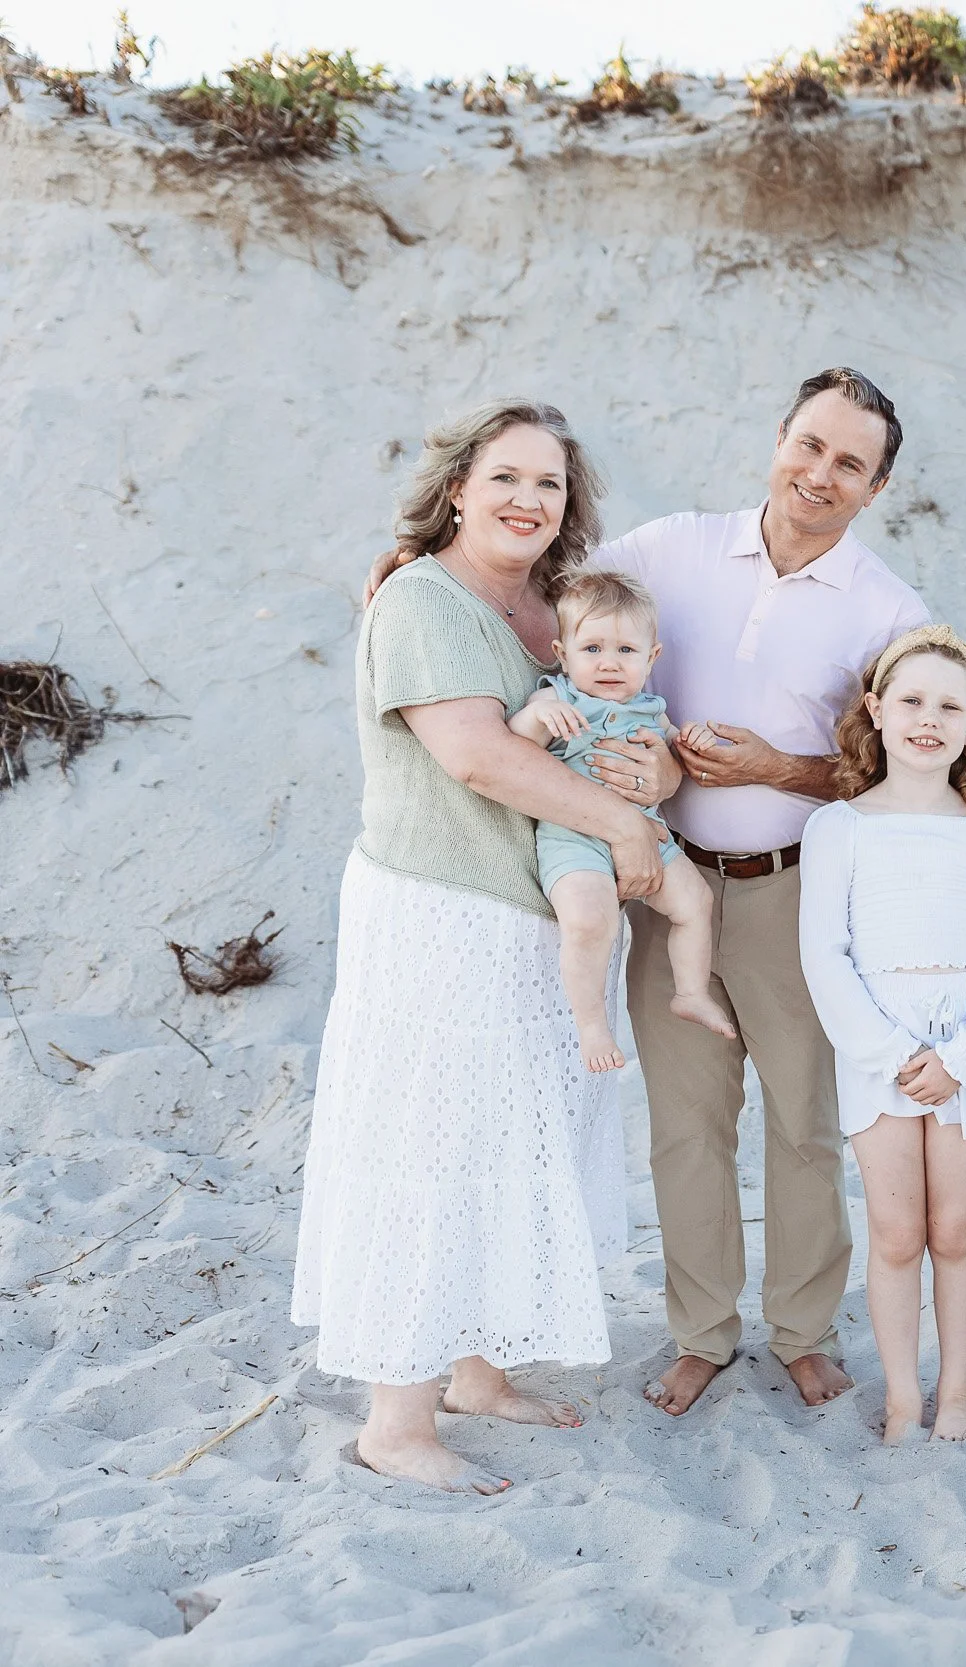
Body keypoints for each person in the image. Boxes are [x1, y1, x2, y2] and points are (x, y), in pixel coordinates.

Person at [368, 368, 930, 1418]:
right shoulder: (669, 548)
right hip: (655, 880)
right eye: (808, 444)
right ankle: (702, 1332)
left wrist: (776, 766)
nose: (819, 472)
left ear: (876, 485)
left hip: (794, 890)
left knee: (806, 1126)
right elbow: (539, 589)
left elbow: (898, 765)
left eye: (849, 462)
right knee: (684, 1125)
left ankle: (803, 1329)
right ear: (779, 437)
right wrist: (417, 564)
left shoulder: (888, 609)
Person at [296, 399, 675, 1491]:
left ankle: (474, 1370)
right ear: (458, 485)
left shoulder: (552, 610)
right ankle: (396, 1422)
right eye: (506, 477)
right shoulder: (422, 599)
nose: (528, 500)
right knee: (430, 1148)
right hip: (438, 914)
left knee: (502, 1141)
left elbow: (628, 722)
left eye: (549, 484)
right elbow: (473, 755)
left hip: (528, 915)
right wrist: (622, 823)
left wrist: (651, 786)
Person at [798, 626, 966, 1445]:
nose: (928, 719)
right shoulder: (839, 828)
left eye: (949, 705)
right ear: (877, 710)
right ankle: (904, 1397)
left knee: (957, 1229)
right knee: (898, 1233)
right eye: (911, 700)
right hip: (880, 1057)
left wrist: (962, 1057)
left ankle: (958, 1390)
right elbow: (825, 954)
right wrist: (894, 1057)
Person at [510, 570, 739, 1071]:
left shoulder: (651, 709)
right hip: (576, 838)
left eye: (625, 651)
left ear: (651, 657)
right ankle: (592, 1026)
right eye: (591, 649)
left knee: (695, 903)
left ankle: (691, 991)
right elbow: (516, 749)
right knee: (591, 920)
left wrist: (690, 742)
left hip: (648, 834)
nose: (609, 663)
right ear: (562, 654)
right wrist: (535, 720)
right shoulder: (558, 699)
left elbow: (677, 748)